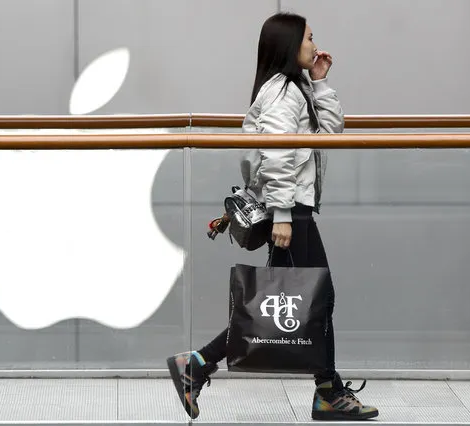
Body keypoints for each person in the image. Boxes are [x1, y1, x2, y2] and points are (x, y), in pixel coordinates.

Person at [166, 12, 379, 422]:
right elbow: (278, 154)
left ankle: (198, 365)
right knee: (317, 297)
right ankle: (327, 391)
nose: (316, 45)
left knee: (279, 304)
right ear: (289, 44)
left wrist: (320, 82)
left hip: (294, 208)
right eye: (310, 39)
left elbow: (329, 134)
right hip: (291, 212)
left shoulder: (296, 88)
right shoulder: (282, 92)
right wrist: (282, 214)